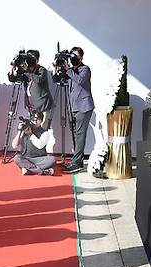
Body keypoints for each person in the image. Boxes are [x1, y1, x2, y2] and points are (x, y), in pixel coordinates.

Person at [58, 46, 94, 174]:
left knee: (80, 135)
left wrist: (68, 70)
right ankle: (76, 161)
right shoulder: (71, 71)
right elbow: (58, 80)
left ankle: (76, 163)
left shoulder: (85, 69)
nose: (73, 58)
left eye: (75, 56)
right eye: (72, 56)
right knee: (76, 134)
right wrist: (58, 69)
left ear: (81, 57)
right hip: (73, 107)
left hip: (84, 107)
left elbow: (79, 80)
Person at [8, 50, 54, 130]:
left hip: (43, 105)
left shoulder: (41, 70)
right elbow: (13, 79)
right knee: (31, 130)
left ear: (37, 60)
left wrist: (26, 71)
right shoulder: (25, 70)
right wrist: (12, 67)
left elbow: (38, 79)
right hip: (31, 106)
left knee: (42, 131)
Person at [11, 110, 56, 176]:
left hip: (39, 159)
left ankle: (28, 169)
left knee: (52, 159)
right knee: (17, 158)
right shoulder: (26, 129)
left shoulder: (45, 133)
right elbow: (14, 145)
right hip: (26, 158)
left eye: (37, 119)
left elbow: (40, 145)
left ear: (41, 121)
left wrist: (31, 134)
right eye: (33, 119)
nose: (34, 121)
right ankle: (42, 171)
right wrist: (19, 131)